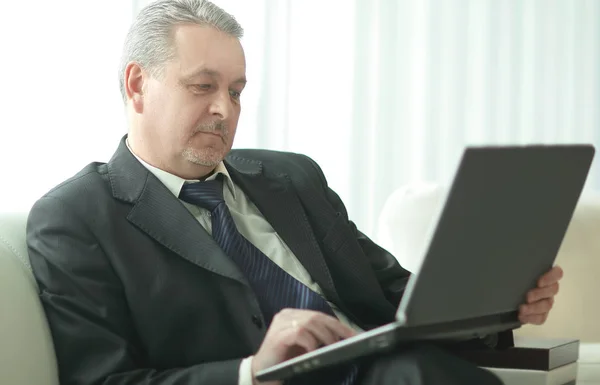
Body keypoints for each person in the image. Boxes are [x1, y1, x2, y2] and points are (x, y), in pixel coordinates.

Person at [26, 1, 562, 384]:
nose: (224, 109)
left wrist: (495, 309)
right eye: (202, 86)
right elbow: (101, 378)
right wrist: (250, 373)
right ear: (137, 85)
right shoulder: (76, 218)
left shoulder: (292, 178)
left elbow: (397, 299)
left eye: (236, 91)